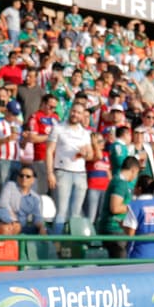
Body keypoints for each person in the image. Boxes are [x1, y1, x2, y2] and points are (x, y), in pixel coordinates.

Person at [45, 100, 95, 234]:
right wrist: (50, 173)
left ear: (82, 115)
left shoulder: (85, 133)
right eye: (73, 111)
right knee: (61, 211)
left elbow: (91, 155)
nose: (75, 114)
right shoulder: (58, 128)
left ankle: (73, 244)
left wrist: (85, 154)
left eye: (78, 113)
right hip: (62, 172)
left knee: (76, 213)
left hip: (80, 173)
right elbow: (49, 151)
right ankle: (56, 245)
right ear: (70, 111)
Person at [122, 174, 154, 259]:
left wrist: (123, 226)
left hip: (139, 252)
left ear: (139, 188)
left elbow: (131, 232)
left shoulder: (134, 206)